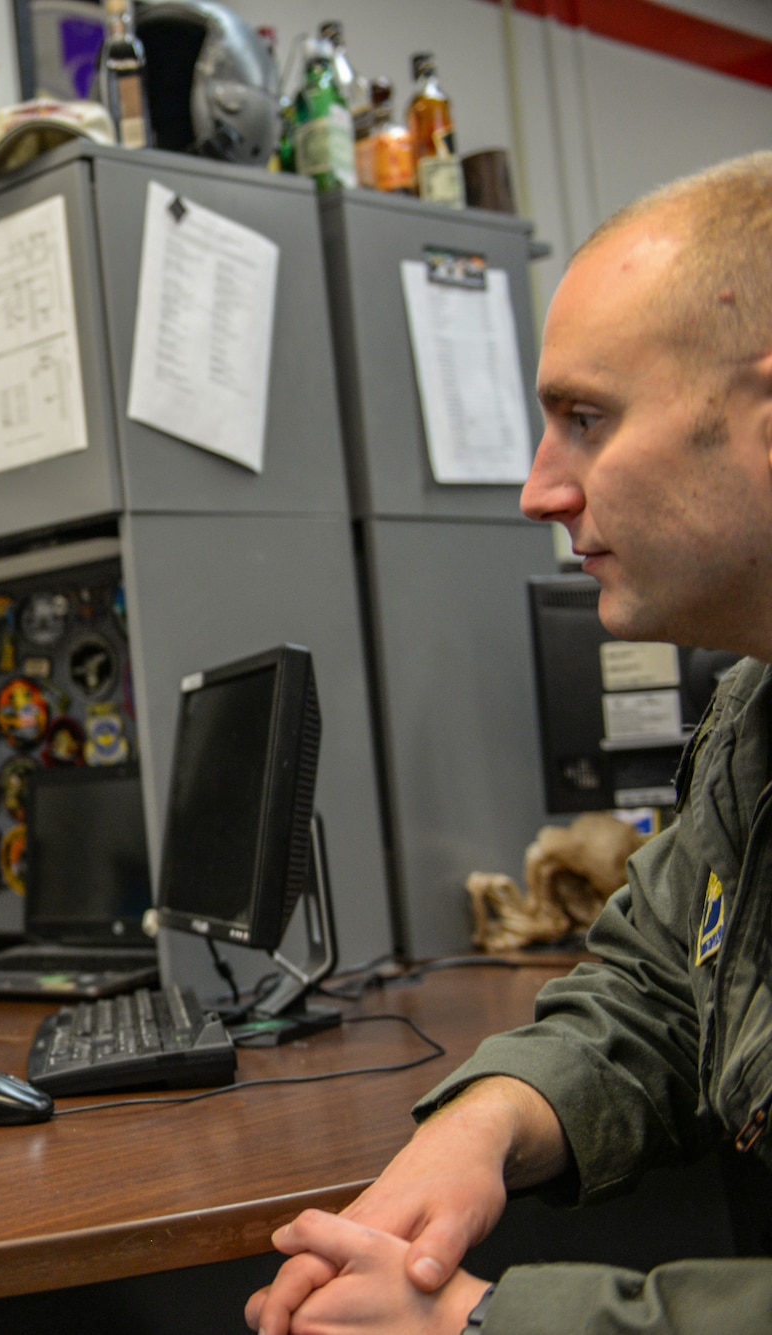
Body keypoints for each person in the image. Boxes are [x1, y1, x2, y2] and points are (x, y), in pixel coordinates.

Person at [246, 150, 772, 1334]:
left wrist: (472, 1323)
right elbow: (653, 988)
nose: (539, 490)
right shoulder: (755, 715)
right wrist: (482, 1124)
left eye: (586, 419)